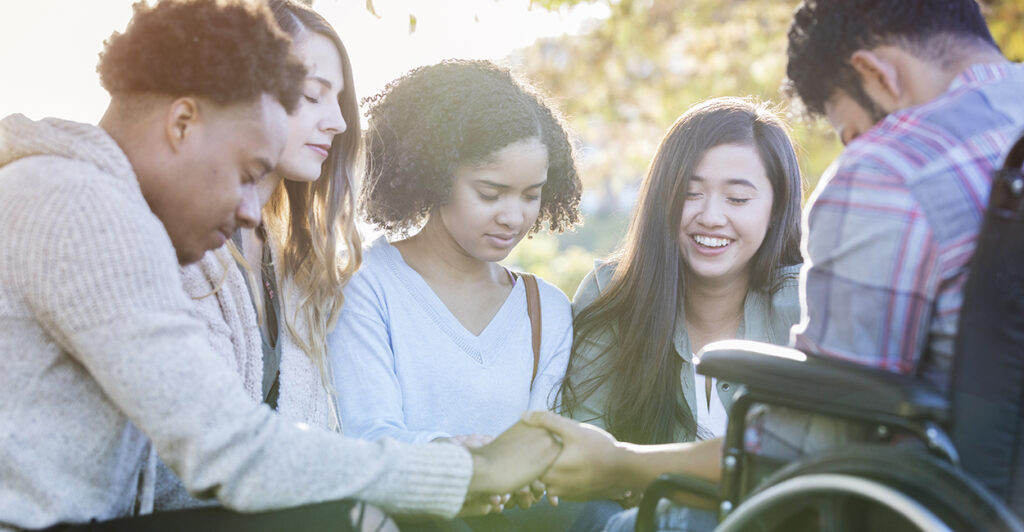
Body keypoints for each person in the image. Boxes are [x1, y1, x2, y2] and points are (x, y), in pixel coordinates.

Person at [0, 1, 558, 530]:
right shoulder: (78, 206)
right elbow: (225, 449)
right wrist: (468, 473)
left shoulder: (93, 200)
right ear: (183, 123)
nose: (250, 209)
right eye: (246, 174)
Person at [753, 0, 1024, 460]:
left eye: (853, 131)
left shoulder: (890, 169)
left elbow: (815, 440)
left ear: (877, 74)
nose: (860, 145)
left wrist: (628, 462)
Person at [326, 59, 581, 520]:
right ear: (435, 176)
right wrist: (473, 463)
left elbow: (546, 442)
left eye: (531, 195)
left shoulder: (547, 309)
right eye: (490, 192)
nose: (513, 216)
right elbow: (368, 435)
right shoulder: (366, 286)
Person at [553, 97, 804, 531]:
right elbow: (585, 460)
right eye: (690, 193)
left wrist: (634, 469)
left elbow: (805, 465)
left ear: (775, 209)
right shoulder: (610, 294)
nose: (710, 217)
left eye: (738, 198)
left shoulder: (802, 306)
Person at [154, 0, 365, 512]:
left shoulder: (293, 261)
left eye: (339, 101)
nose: (337, 121)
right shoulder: (176, 241)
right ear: (249, 88)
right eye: (314, 96)